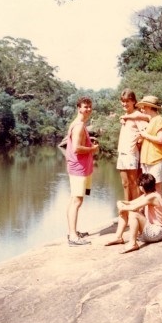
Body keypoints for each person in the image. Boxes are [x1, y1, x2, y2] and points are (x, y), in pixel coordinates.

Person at [65, 96, 99, 246]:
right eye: (85, 107)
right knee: (77, 201)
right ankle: (73, 236)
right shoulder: (78, 126)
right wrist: (93, 149)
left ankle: (73, 231)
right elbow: (76, 148)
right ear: (79, 108)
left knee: (75, 200)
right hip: (78, 168)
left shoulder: (80, 124)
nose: (88, 109)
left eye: (90, 106)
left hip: (80, 167)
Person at [105, 173, 162, 254]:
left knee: (134, 214)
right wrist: (120, 203)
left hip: (156, 232)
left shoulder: (153, 197)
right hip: (151, 231)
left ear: (142, 187)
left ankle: (132, 243)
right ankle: (118, 237)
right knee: (126, 210)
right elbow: (130, 203)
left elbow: (134, 208)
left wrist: (122, 208)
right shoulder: (147, 195)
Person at [116, 89, 148, 201]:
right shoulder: (126, 115)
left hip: (131, 153)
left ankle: (136, 211)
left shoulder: (137, 115)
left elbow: (146, 131)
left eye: (127, 101)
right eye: (123, 101)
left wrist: (139, 142)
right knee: (125, 184)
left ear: (134, 101)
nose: (124, 104)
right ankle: (127, 209)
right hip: (122, 153)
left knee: (134, 183)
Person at [135, 95, 162, 196]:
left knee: (156, 187)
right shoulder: (152, 120)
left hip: (155, 159)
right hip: (147, 159)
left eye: (143, 106)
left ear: (149, 107)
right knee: (148, 188)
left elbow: (161, 139)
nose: (142, 109)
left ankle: (160, 211)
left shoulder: (158, 119)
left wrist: (145, 135)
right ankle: (151, 211)